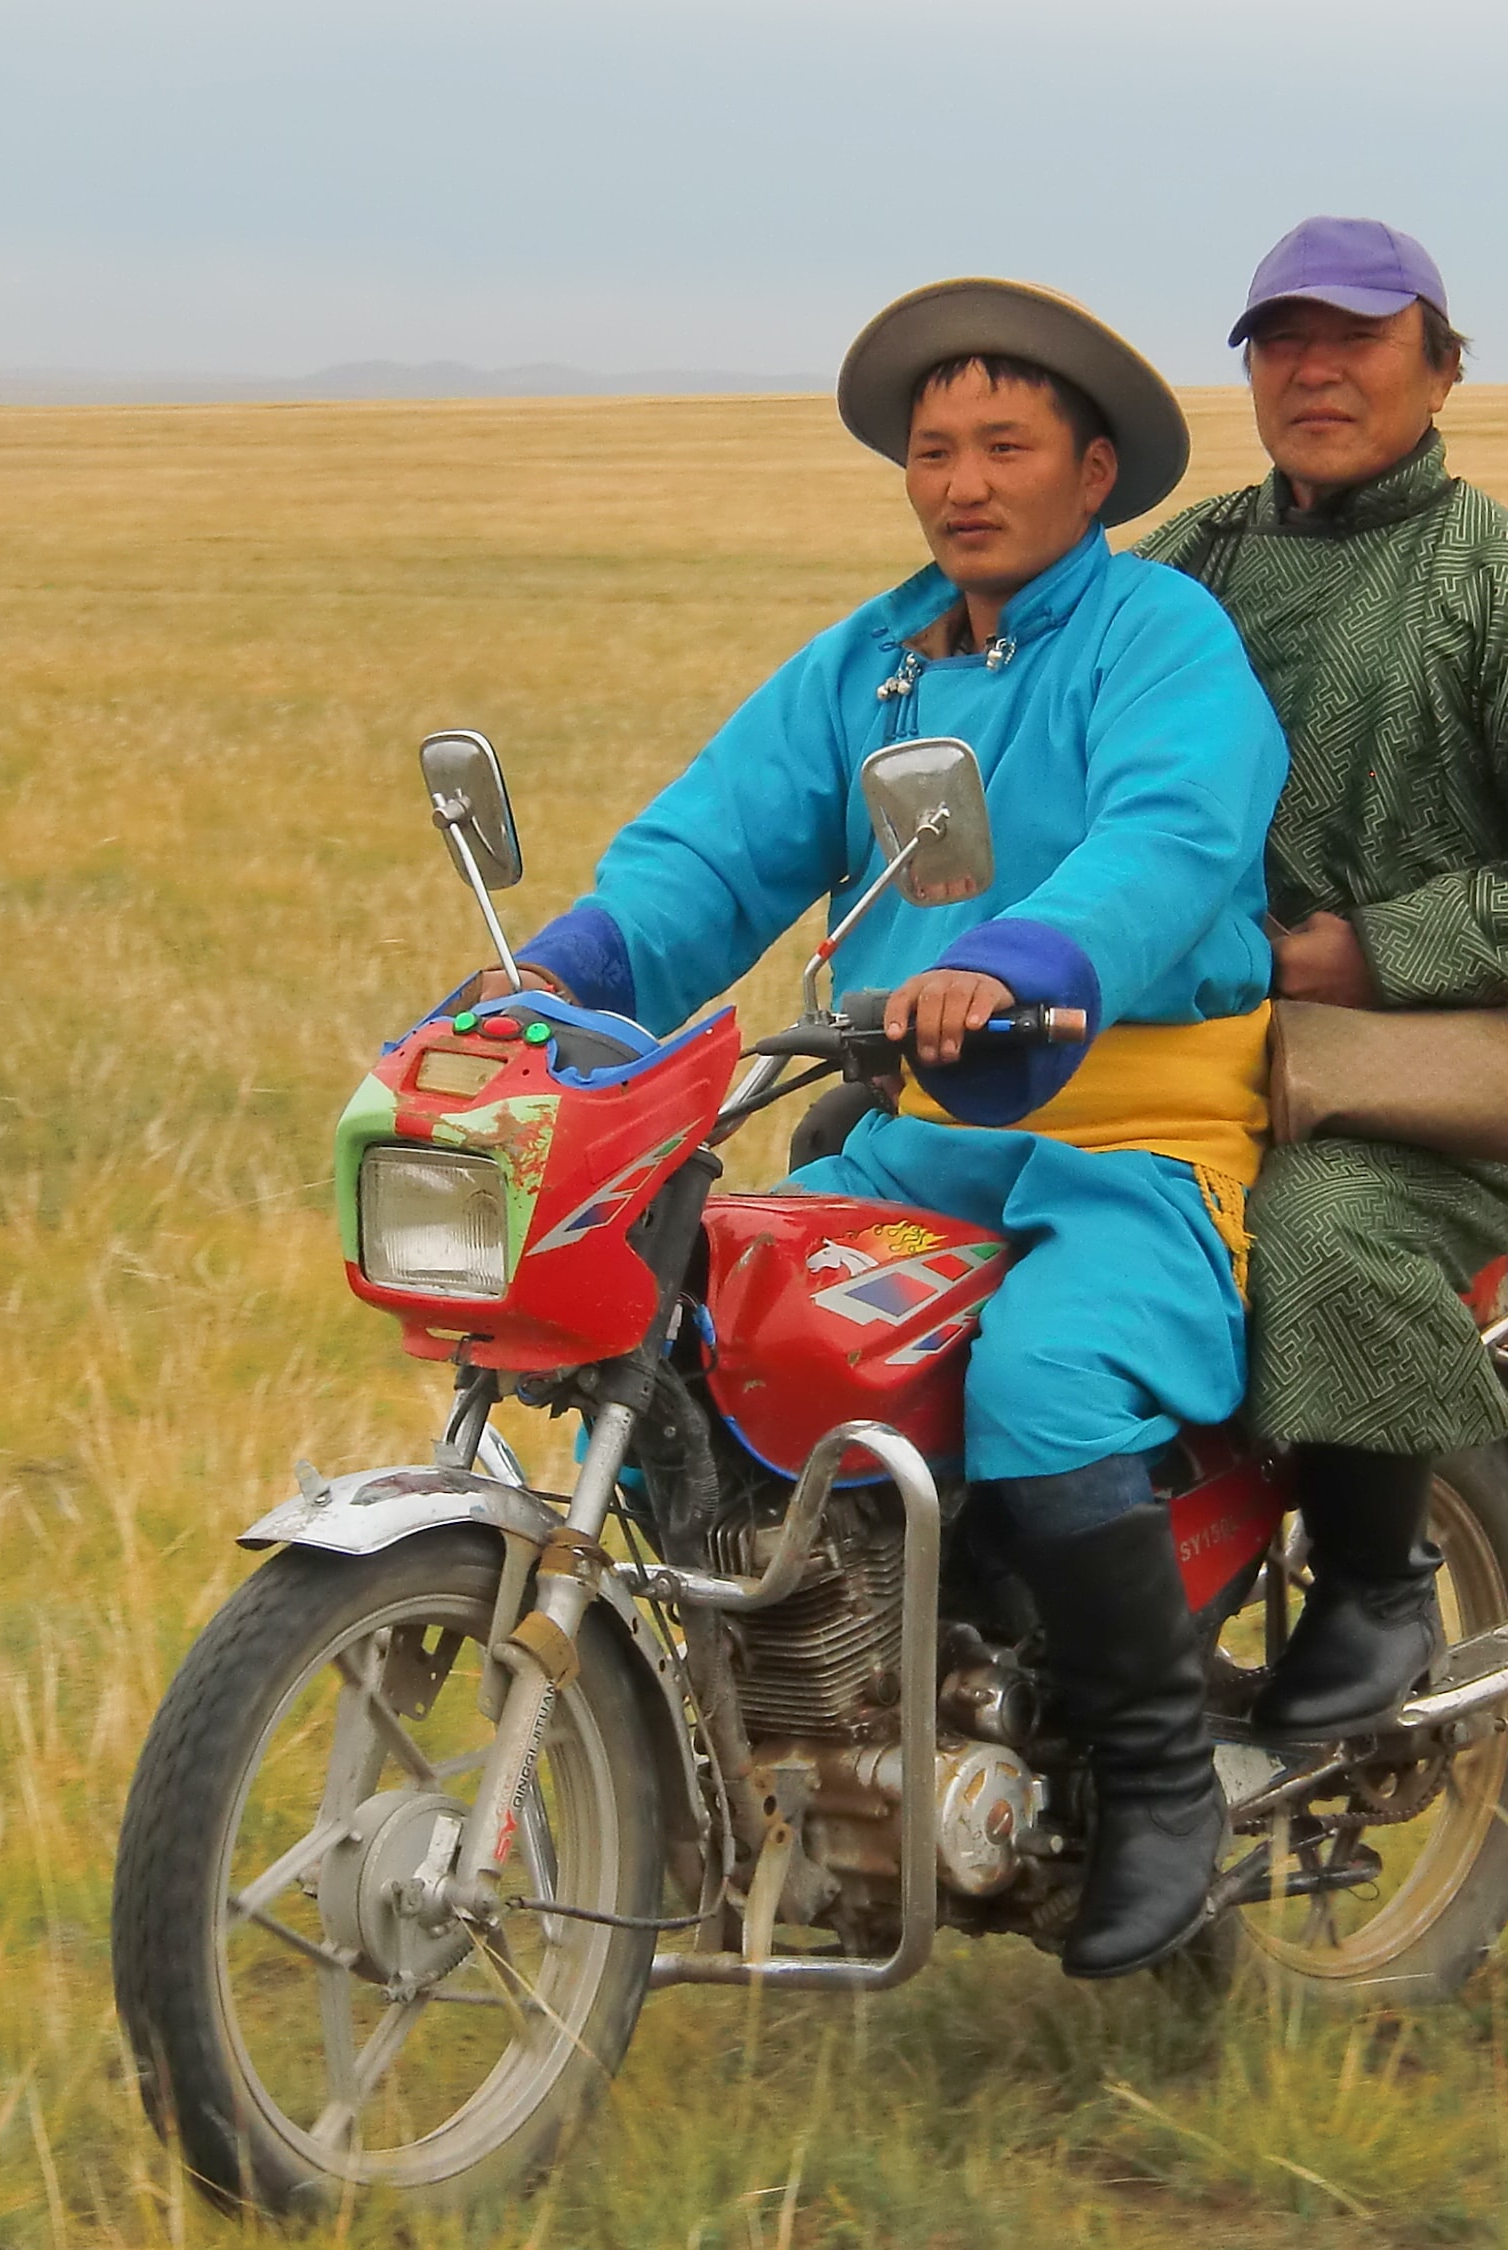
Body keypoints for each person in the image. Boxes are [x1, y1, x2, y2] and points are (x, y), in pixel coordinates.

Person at [453, 279, 1288, 1978]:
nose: (963, 481)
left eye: (1005, 445)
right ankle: (801, 1713)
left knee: (1045, 1380)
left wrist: (1024, 957)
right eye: (934, 451)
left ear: (1095, 467)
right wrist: (551, 977)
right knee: (719, 1322)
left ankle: (1158, 1784)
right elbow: (718, 846)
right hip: (919, 1126)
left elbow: (1173, 831)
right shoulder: (871, 665)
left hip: (1133, 1126)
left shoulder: (1163, 642)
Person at [1132, 218, 1508, 1738]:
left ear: (1441, 369)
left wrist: (1372, 949)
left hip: (1409, 1083)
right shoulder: (1176, 571)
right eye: (1281, 340)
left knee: (1318, 1226)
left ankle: (1378, 1578)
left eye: (1359, 337)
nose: (1316, 368)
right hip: (1177, 1048)